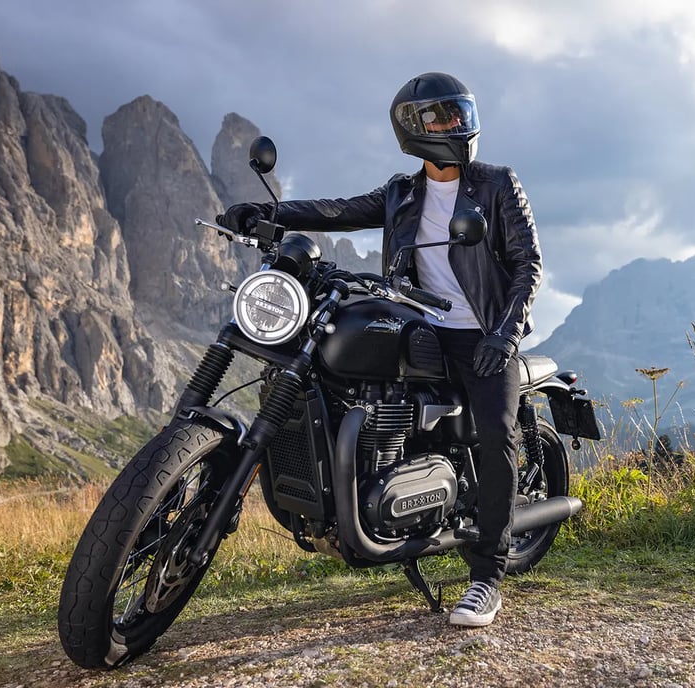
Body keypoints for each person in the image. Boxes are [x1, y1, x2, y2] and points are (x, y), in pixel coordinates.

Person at [217, 72, 542, 627]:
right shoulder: (401, 192)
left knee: (497, 432)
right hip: (421, 327)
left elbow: (527, 265)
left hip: (484, 332)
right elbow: (339, 211)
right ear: (415, 129)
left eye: (459, 113)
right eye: (442, 117)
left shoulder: (497, 184)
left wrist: (505, 334)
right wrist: (270, 214)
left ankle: (487, 577)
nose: (455, 124)